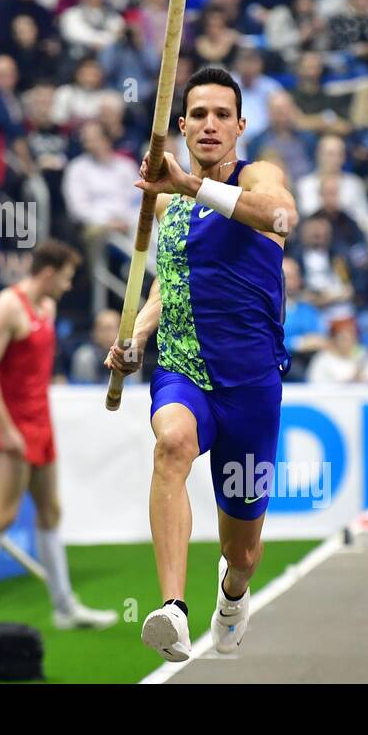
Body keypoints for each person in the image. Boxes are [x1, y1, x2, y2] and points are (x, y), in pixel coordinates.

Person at [105, 65, 298, 661]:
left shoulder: (258, 175)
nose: (210, 124)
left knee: (241, 551)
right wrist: (135, 336)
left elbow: (279, 218)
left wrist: (187, 184)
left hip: (252, 386)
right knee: (172, 442)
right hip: (185, 369)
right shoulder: (167, 202)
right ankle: (172, 608)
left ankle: (232, 595)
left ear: (241, 125)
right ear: (182, 124)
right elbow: (172, 285)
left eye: (222, 115)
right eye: (198, 115)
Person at [0, 239, 116, 630]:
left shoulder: (47, 308)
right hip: (12, 424)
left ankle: (65, 607)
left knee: (51, 511)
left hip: (40, 422)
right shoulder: (7, 306)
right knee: (3, 515)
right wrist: (4, 427)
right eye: (66, 278)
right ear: (48, 273)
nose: (68, 286)